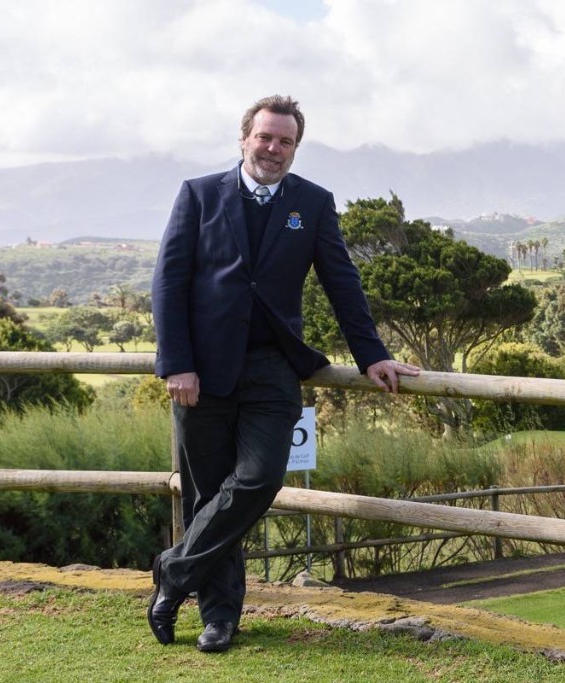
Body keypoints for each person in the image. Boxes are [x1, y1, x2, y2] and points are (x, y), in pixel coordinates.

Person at [149, 94, 419, 653]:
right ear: (245, 137)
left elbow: (342, 280)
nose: (274, 148)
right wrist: (177, 364)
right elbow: (168, 283)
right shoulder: (198, 195)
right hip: (201, 372)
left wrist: (372, 354)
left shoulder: (313, 203)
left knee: (260, 478)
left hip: (274, 368)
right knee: (206, 498)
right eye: (265, 137)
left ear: (296, 148)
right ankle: (219, 620)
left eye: (286, 141)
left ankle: (173, 573)